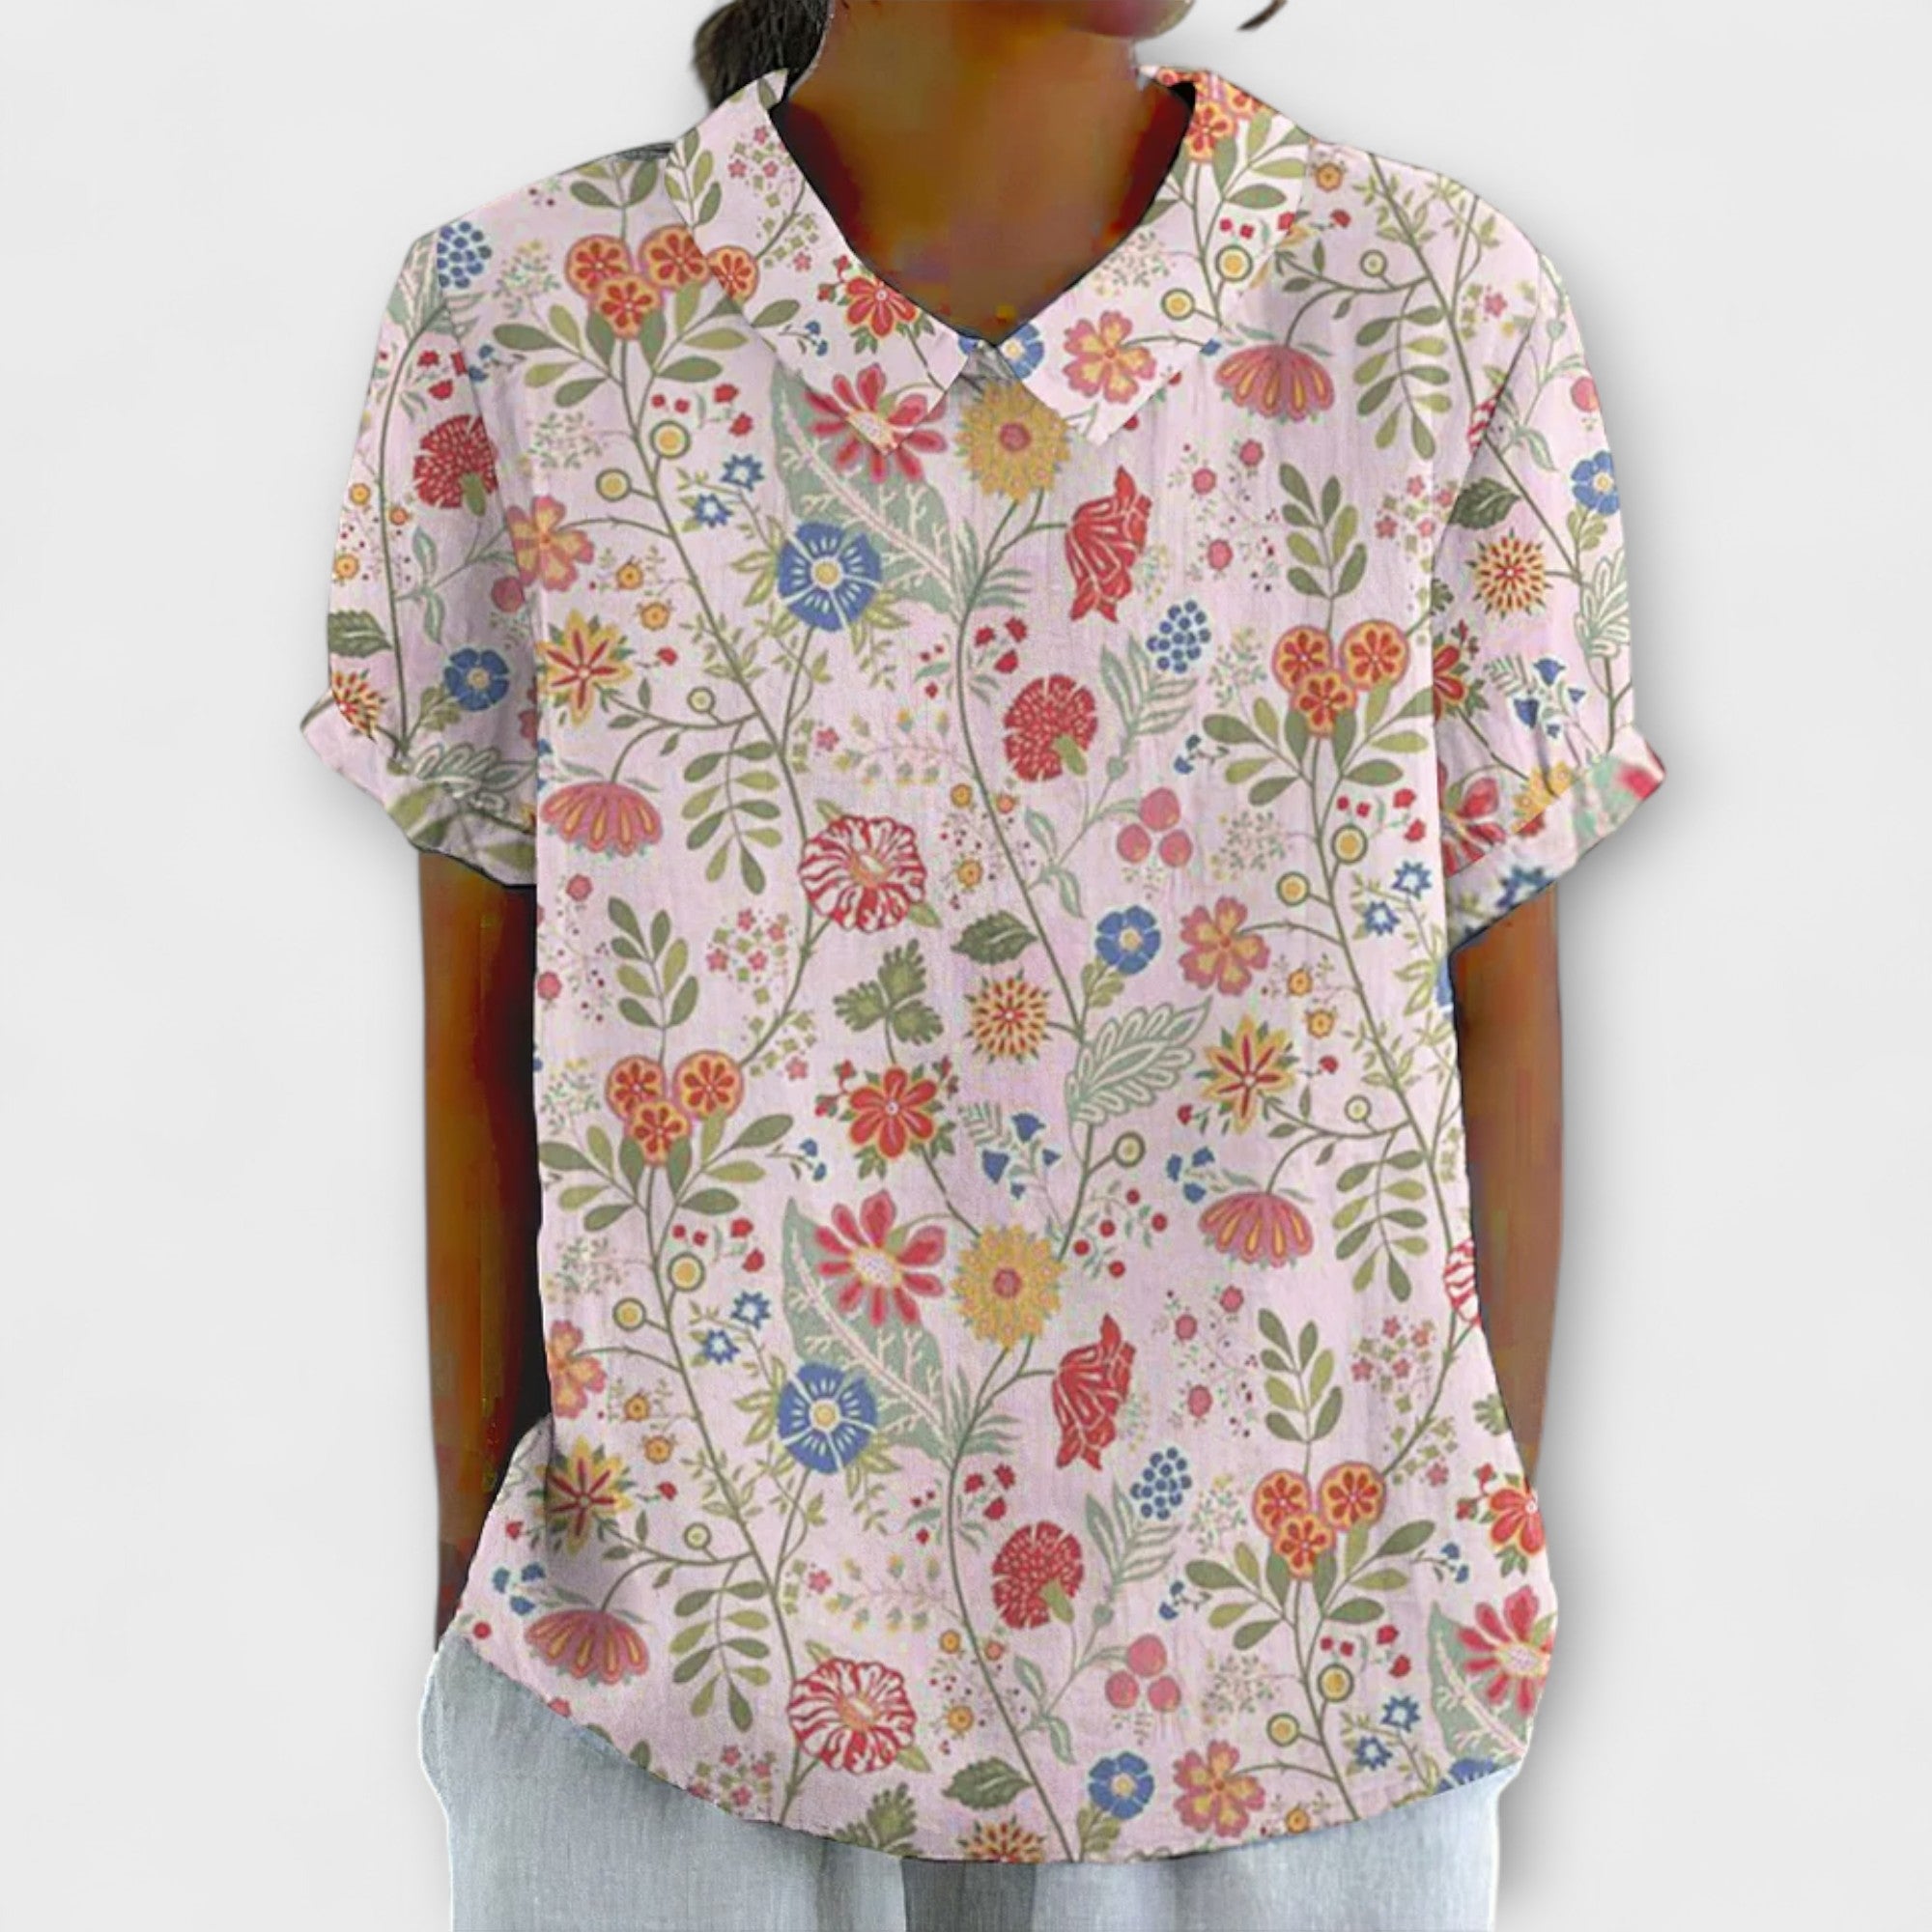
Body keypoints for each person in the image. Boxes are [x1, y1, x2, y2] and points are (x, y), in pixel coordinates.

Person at [299, 2, 1668, 1925]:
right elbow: (480, 1027)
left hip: (1294, 1708)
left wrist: (1444, 1576)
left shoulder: (1427, 306)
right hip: (666, 1696)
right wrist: (481, 1624)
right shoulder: (529, 317)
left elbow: (1492, 1001)